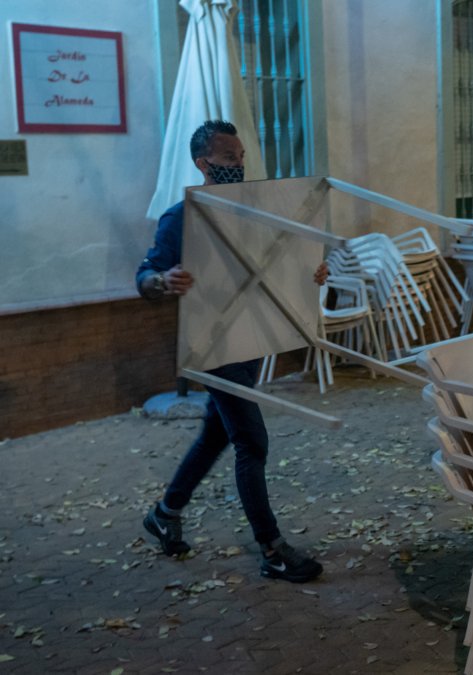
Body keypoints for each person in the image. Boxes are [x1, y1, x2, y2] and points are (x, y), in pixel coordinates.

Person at [136, 120, 326, 583]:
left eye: (240, 157)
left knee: (216, 436)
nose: (238, 165)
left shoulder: (252, 212)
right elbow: (145, 278)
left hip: (248, 341)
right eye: (228, 159)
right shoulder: (181, 218)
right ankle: (272, 549)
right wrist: (164, 280)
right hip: (211, 344)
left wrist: (309, 273)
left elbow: (275, 266)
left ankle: (165, 513)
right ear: (203, 164)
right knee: (252, 441)